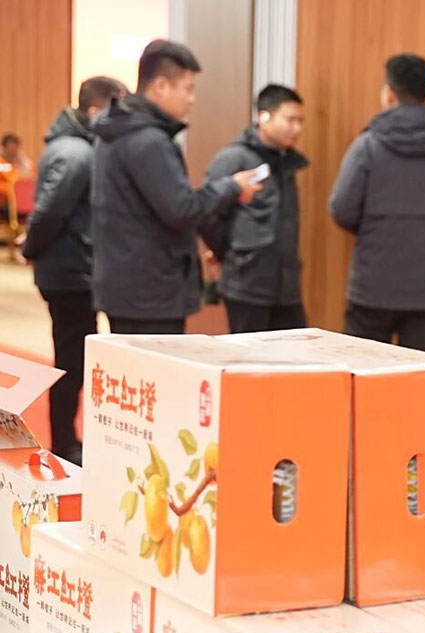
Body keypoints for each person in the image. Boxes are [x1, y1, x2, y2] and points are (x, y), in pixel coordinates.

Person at [91, 39, 263, 335]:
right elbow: (181, 209)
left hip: (128, 284)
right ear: (160, 86)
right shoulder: (148, 140)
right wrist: (232, 186)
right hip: (150, 291)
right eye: (188, 89)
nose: (192, 99)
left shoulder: (118, 130)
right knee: (152, 364)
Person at [330, 53, 425, 352]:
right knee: (416, 374)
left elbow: (341, 209)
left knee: (362, 368)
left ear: (389, 94)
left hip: (373, 286)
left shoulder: (367, 146)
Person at [19, 76, 125, 465]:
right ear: (96, 111)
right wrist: (30, 248)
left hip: (73, 268)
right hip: (69, 272)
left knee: (73, 356)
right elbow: (49, 212)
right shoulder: (76, 153)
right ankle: (64, 444)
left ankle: (68, 440)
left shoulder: (74, 146)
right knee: (71, 361)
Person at [200, 84, 309, 333]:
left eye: (300, 121)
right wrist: (229, 255)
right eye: (290, 120)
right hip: (246, 285)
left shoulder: (287, 162)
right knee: (248, 354)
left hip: (287, 288)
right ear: (264, 116)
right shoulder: (234, 158)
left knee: (295, 351)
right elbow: (207, 213)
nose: (297, 128)